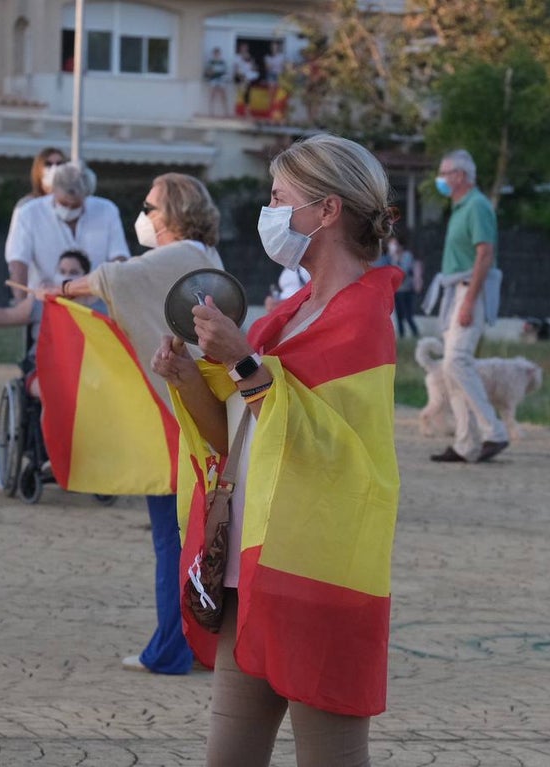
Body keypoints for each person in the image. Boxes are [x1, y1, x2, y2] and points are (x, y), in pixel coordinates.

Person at [151, 133, 400, 766]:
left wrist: (242, 361)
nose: (269, 210)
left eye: (278, 197)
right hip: (250, 575)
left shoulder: (363, 317)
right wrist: (188, 378)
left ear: (327, 211)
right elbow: (241, 439)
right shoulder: (283, 316)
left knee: (332, 760)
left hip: (318, 577)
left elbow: (339, 458)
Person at [58, 173, 225, 676]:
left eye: (150, 206)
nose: (144, 215)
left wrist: (64, 288)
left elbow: (119, 278)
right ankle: (194, 644)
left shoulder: (180, 256)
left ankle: (170, 650)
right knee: (195, 540)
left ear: (173, 213)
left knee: (171, 541)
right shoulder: (201, 257)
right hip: (201, 416)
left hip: (178, 422)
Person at [426, 149, 509, 464]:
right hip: (456, 292)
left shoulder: (477, 206)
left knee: (457, 362)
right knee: (452, 370)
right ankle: (466, 443)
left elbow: (484, 254)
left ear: (460, 175)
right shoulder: (460, 207)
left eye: (445, 173)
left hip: (469, 292)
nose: (441, 179)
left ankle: (495, 431)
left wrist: (470, 301)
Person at [0, 250, 99, 399]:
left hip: (85, 368)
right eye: (62, 271)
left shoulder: (100, 309)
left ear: (85, 277)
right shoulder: (40, 302)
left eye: (73, 272)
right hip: (43, 368)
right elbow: (7, 316)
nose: (66, 276)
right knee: (52, 390)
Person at [5, 161, 128, 302]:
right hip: (45, 303)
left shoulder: (107, 210)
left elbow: (119, 259)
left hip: (95, 304)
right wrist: (21, 303)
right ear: (53, 190)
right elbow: (18, 261)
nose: (69, 208)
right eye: (64, 203)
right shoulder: (29, 213)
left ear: (87, 195)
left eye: (75, 205)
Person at [388, 233, 421, 338]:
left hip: (406, 290)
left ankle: (416, 334)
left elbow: (403, 272)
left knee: (408, 315)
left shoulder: (407, 256)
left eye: (395, 244)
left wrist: (396, 260)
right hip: (397, 290)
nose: (393, 247)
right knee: (399, 316)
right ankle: (402, 336)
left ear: (400, 245)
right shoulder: (392, 257)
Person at [203, 47, 231, 118]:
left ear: (219, 54)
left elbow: (225, 72)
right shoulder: (210, 62)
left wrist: (219, 74)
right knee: (212, 95)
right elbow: (208, 72)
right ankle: (211, 112)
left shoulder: (222, 62)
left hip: (221, 80)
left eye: (218, 53)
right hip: (213, 80)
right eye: (215, 53)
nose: (217, 54)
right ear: (213, 54)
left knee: (223, 96)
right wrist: (212, 72)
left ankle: (226, 113)